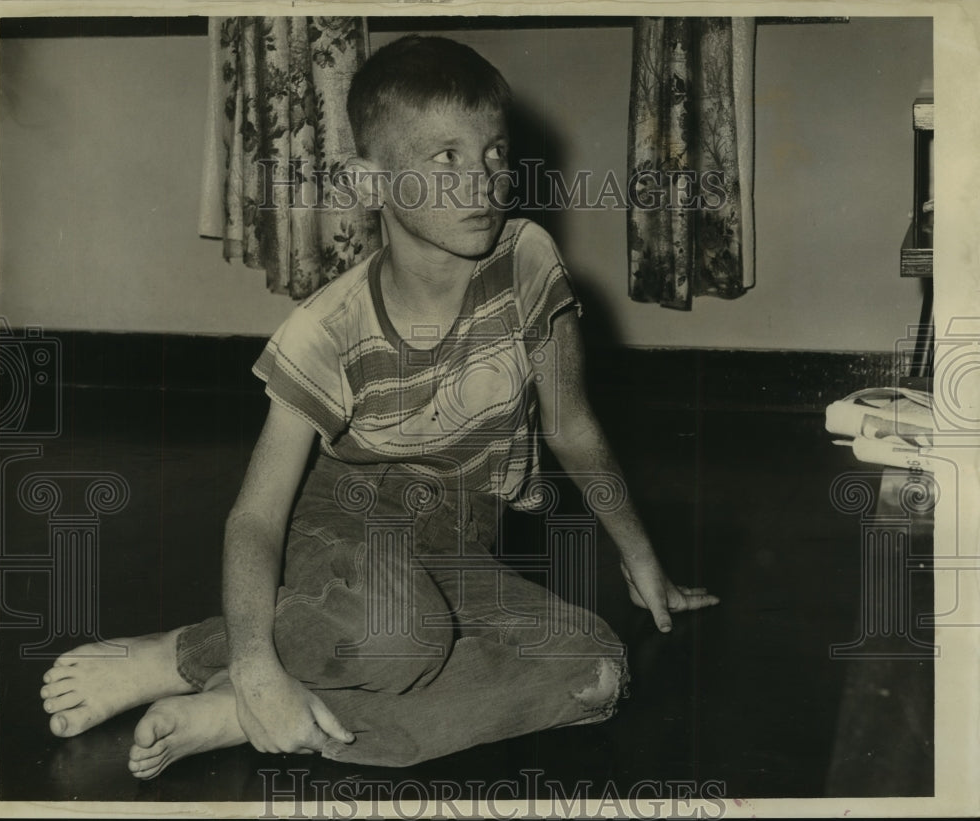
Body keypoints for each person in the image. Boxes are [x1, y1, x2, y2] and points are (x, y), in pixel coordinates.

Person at [39, 34, 718, 779]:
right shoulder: (326, 328)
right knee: (403, 637)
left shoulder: (528, 262)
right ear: (369, 183)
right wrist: (258, 659)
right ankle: (189, 654)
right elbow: (256, 518)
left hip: (457, 536)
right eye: (444, 159)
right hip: (345, 524)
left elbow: (572, 426)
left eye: (493, 152)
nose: (481, 181)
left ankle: (246, 709)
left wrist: (641, 558)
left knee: (596, 670)